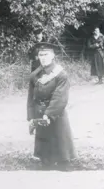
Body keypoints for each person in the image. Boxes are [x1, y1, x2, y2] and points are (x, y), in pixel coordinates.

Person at [27, 42, 76, 171]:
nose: (43, 57)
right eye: (40, 54)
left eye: (46, 54)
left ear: (53, 55)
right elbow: (31, 99)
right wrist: (31, 117)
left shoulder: (61, 74)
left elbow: (60, 97)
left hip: (56, 116)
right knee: (45, 158)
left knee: (61, 152)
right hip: (40, 115)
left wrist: (48, 115)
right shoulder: (34, 75)